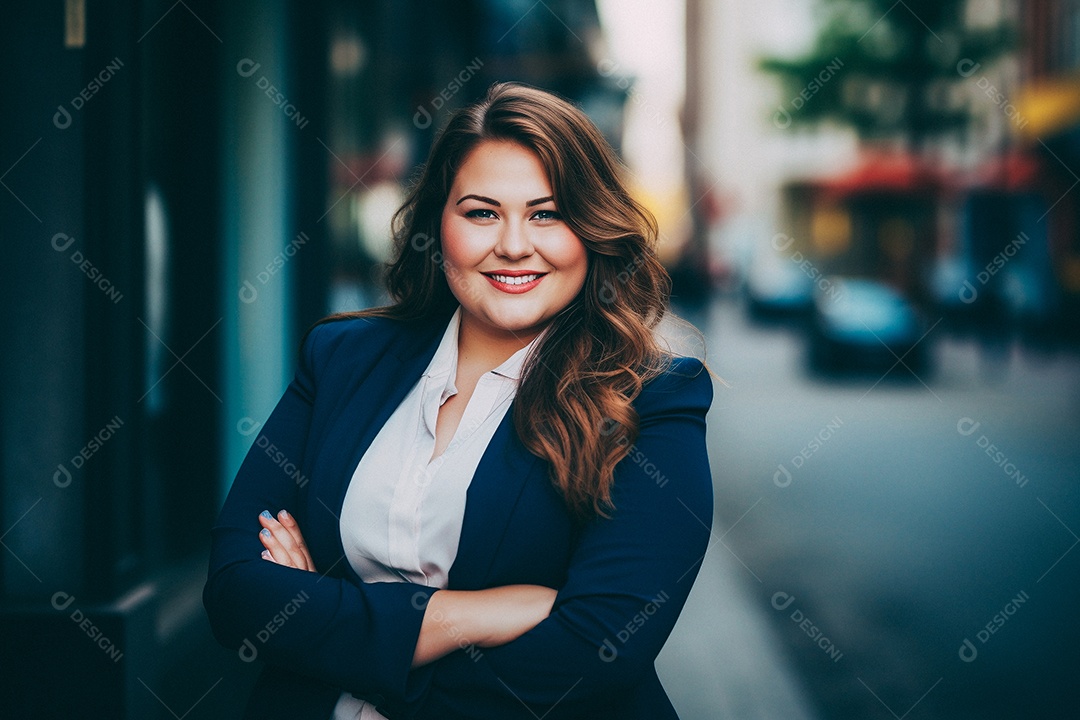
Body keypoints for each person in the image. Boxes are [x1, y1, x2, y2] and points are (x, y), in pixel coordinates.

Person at [203, 82, 714, 720]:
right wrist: (465, 616)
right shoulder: (341, 358)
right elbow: (237, 594)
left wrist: (327, 629)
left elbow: (595, 652)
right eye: (481, 213)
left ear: (592, 229)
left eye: (547, 214)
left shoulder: (653, 397)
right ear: (437, 225)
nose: (514, 245)